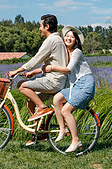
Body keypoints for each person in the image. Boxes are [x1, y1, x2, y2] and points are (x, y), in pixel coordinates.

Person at [8, 14, 68, 146]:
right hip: (57, 80)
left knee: (21, 85)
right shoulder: (57, 40)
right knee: (30, 103)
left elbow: (36, 59)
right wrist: (32, 73)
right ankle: (40, 134)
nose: (39, 28)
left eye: (40, 26)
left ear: (47, 26)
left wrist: (16, 71)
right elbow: (48, 64)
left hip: (54, 81)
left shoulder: (51, 41)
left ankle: (42, 107)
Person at [42, 25, 95, 153]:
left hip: (85, 84)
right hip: (75, 86)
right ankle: (62, 129)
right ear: (64, 38)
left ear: (76, 40)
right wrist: (34, 72)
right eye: (67, 36)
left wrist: (52, 68)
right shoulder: (65, 53)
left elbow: (68, 69)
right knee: (57, 99)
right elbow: (53, 65)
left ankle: (75, 140)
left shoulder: (77, 52)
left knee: (66, 110)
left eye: (72, 37)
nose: (69, 38)